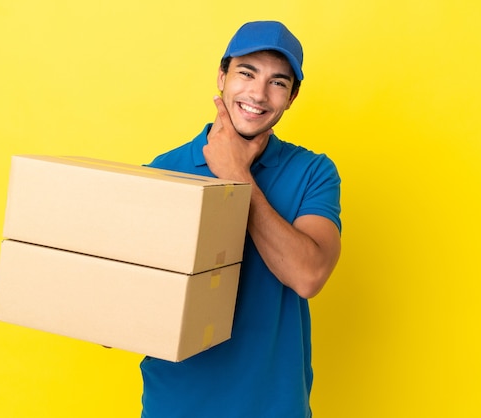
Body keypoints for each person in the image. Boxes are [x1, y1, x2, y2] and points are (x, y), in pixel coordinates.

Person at [141, 20, 342, 417]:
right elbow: (124, 301)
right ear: (221, 76)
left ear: (292, 96)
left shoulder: (314, 172)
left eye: (278, 82)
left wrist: (237, 177)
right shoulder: (163, 171)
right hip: (175, 405)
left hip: (273, 407)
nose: (258, 94)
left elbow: (308, 276)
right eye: (246, 73)